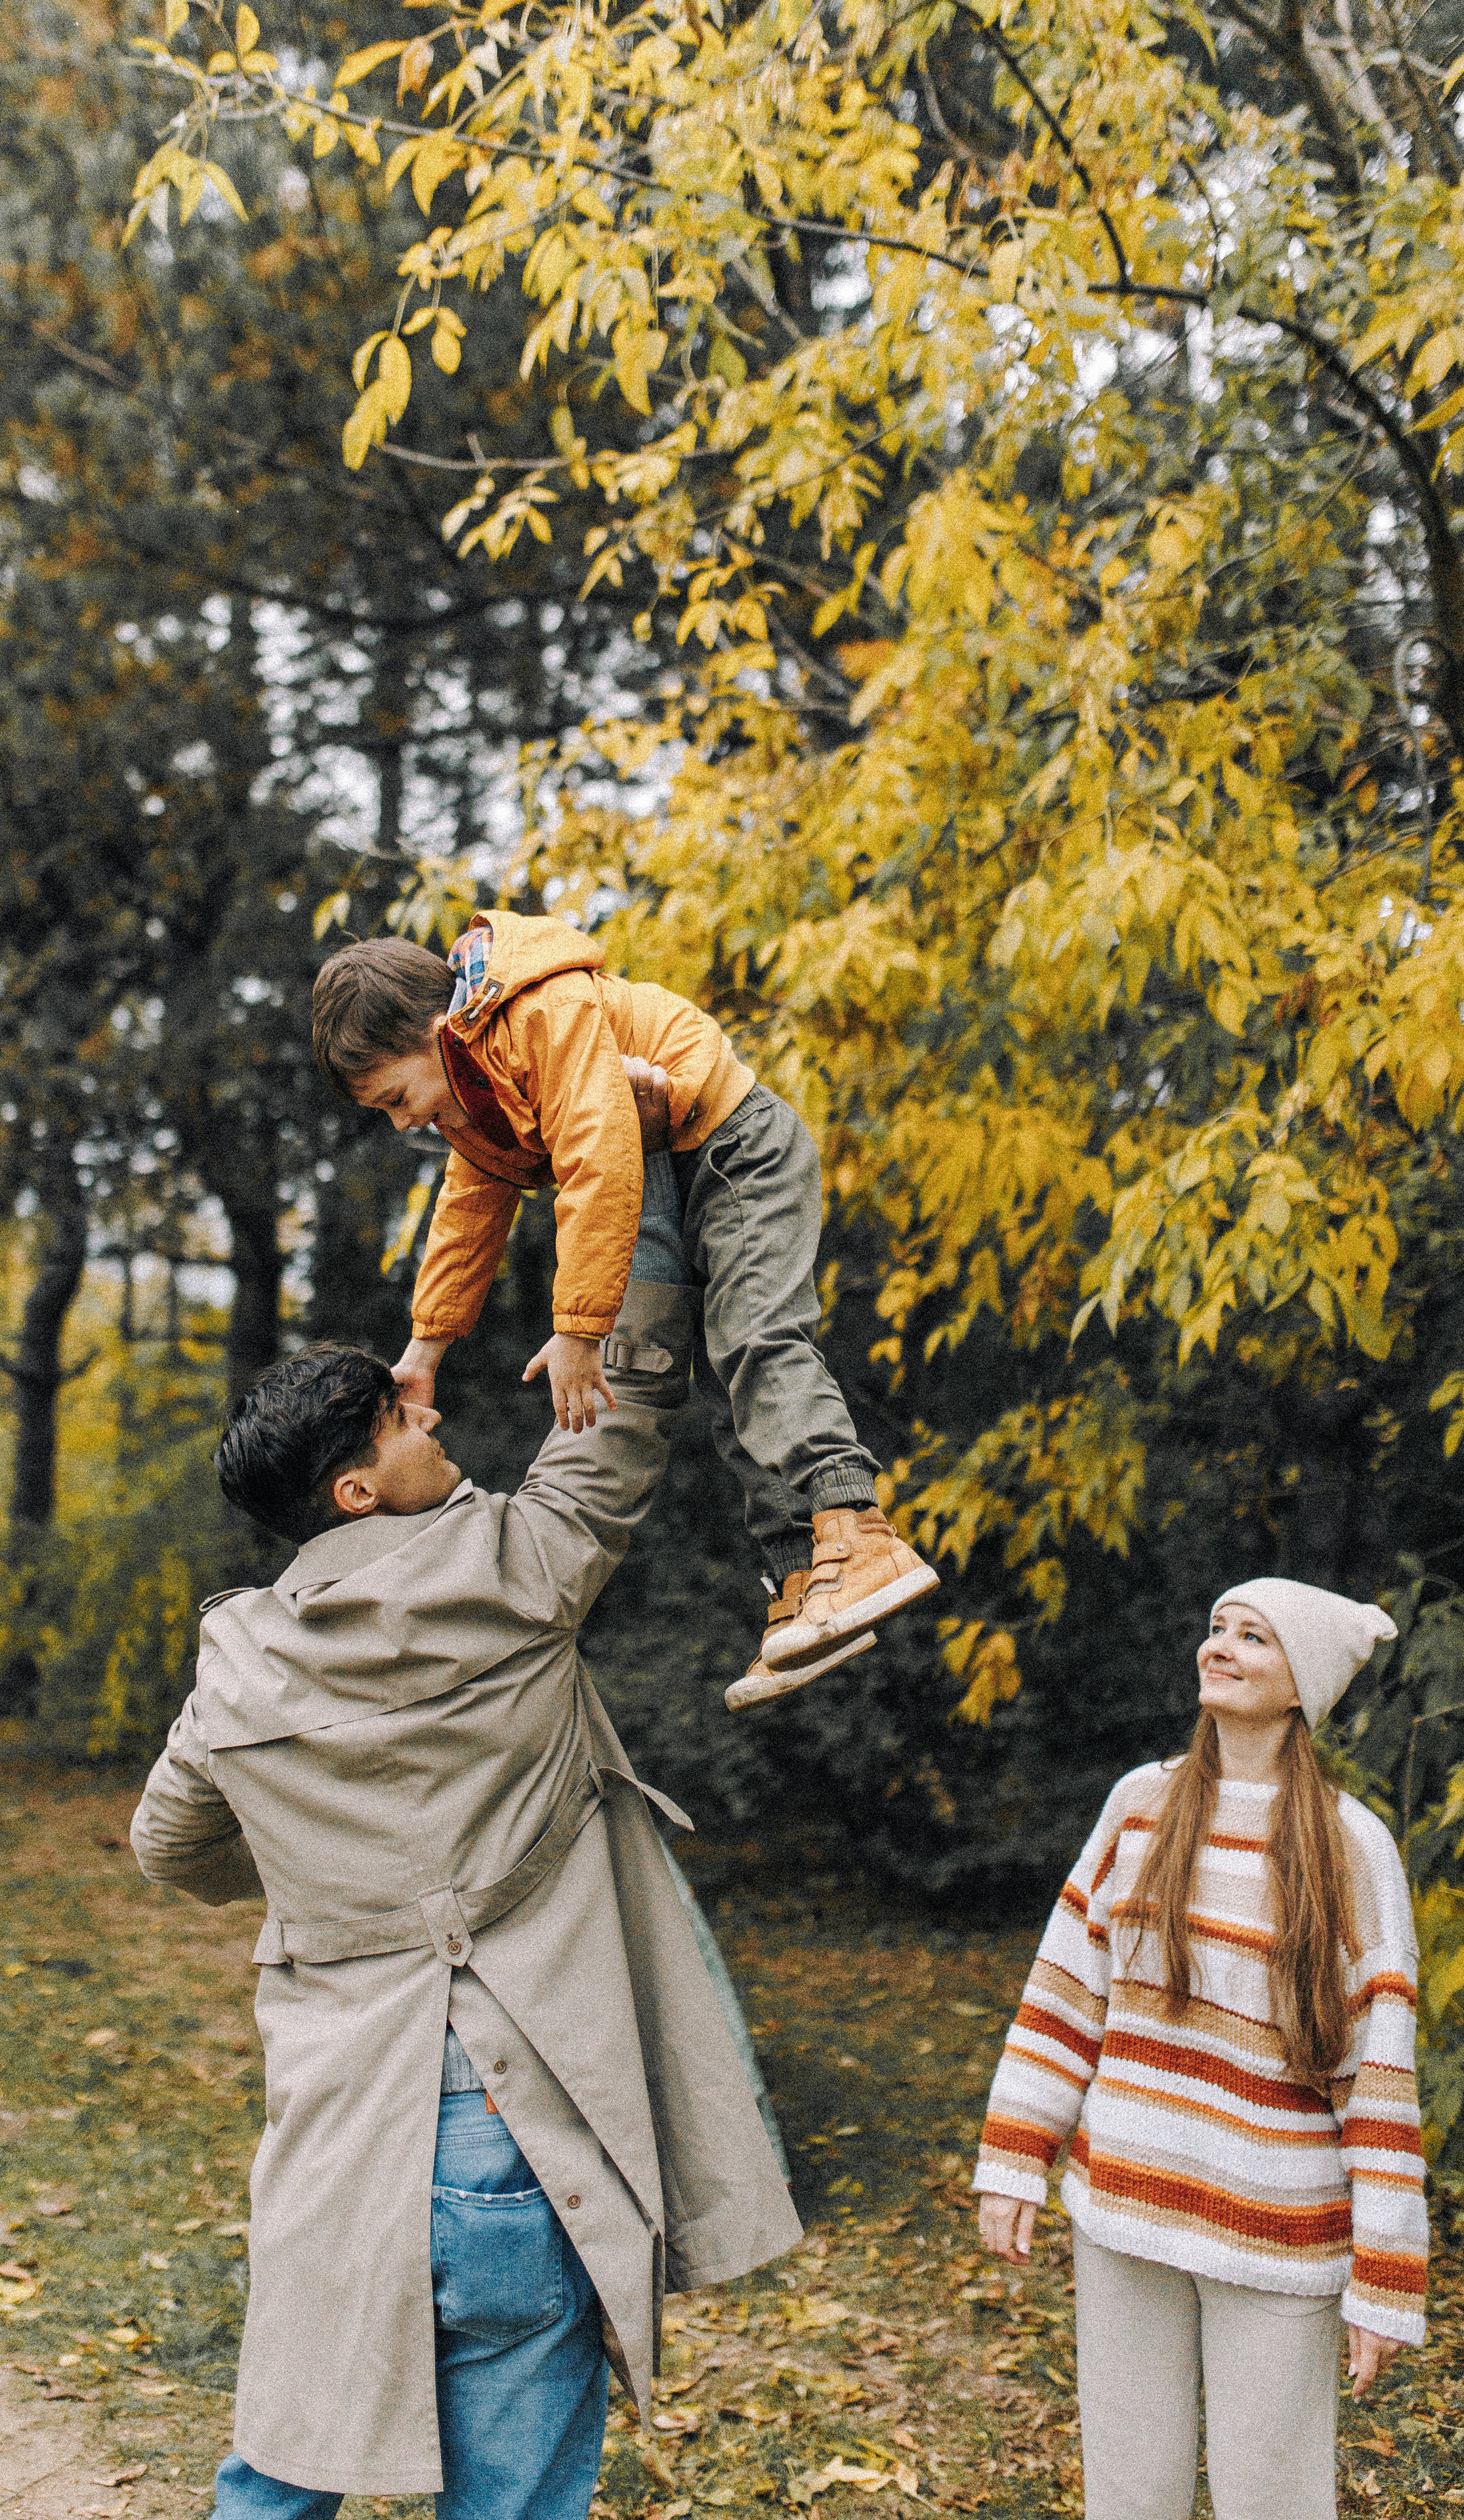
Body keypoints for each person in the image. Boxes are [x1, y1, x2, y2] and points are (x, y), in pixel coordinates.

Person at [128, 1106, 802, 2520]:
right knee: (514, 2493)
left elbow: (169, 1847)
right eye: (397, 1413)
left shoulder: (237, 1657)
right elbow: (628, 1415)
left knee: (283, 2456)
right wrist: (651, 1212)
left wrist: (326, 1881)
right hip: (519, 2116)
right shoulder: (517, 1567)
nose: (426, 1409)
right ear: (357, 1485)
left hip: (338, 2124)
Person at [310, 909, 938, 1708]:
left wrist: (578, 1331)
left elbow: (599, 1158)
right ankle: (805, 1580)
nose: (403, 1122)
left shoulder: (540, 1013)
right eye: (385, 1114)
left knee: (756, 1340)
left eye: (398, 1096)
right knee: (724, 1379)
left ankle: (857, 1527)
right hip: (670, 1165)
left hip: (734, 1146)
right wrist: (424, 1353)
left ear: (439, 1031)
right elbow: (468, 1213)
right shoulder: (472, 1090)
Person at [973, 1578, 1427, 2520]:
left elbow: (1377, 2079)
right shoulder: (1142, 1804)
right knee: (1130, 2492)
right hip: (1125, 2211)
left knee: (1273, 2498)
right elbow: (1067, 1989)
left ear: (1302, 1684)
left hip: (1278, 2233)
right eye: (1216, 1627)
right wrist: (1015, 2158)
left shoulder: (1352, 1848)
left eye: (1253, 1638)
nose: (1219, 1647)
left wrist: (1385, 2277)